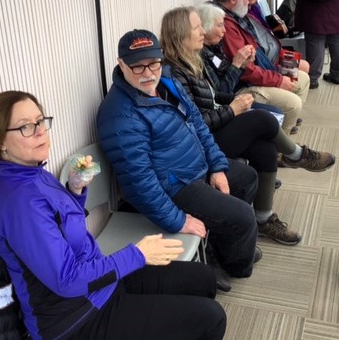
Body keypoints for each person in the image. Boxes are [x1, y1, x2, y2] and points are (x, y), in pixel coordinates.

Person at [0, 90, 227, 340]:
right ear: (0, 142)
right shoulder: (19, 203)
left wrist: (75, 190)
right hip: (75, 318)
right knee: (210, 318)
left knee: (203, 278)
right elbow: (67, 280)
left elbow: (61, 226)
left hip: (98, 283)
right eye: (25, 127)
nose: (40, 131)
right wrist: (138, 255)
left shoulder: (33, 172)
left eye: (40, 121)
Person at [97, 29, 261, 291]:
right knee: (243, 218)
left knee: (247, 178)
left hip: (196, 165)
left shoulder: (167, 81)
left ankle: (223, 246)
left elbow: (197, 124)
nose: (148, 73)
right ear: (121, 64)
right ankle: (235, 266)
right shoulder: (119, 115)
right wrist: (179, 220)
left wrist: (217, 166)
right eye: (138, 67)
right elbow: (139, 184)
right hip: (175, 186)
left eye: (153, 63)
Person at [160, 6, 337, 244]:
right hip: (200, 144)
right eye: (197, 28)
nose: (203, 31)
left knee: (265, 148)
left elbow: (212, 97)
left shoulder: (192, 60)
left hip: (213, 127)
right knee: (262, 119)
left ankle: (263, 218)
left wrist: (235, 100)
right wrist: (232, 108)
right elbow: (193, 123)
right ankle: (297, 155)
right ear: (180, 34)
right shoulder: (174, 73)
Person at [214, 0, 310, 135]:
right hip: (245, 84)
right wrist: (278, 80)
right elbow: (247, 71)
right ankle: (282, 142)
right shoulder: (227, 24)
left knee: (304, 78)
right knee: (293, 103)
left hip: (266, 66)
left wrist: (282, 64)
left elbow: (267, 43)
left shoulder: (242, 16)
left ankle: (286, 120)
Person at [239, 0, 310, 75]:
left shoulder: (256, 8)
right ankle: (288, 80)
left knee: (305, 66)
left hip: (275, 51)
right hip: (268, 60)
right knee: (303, 68)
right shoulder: (244, 16)